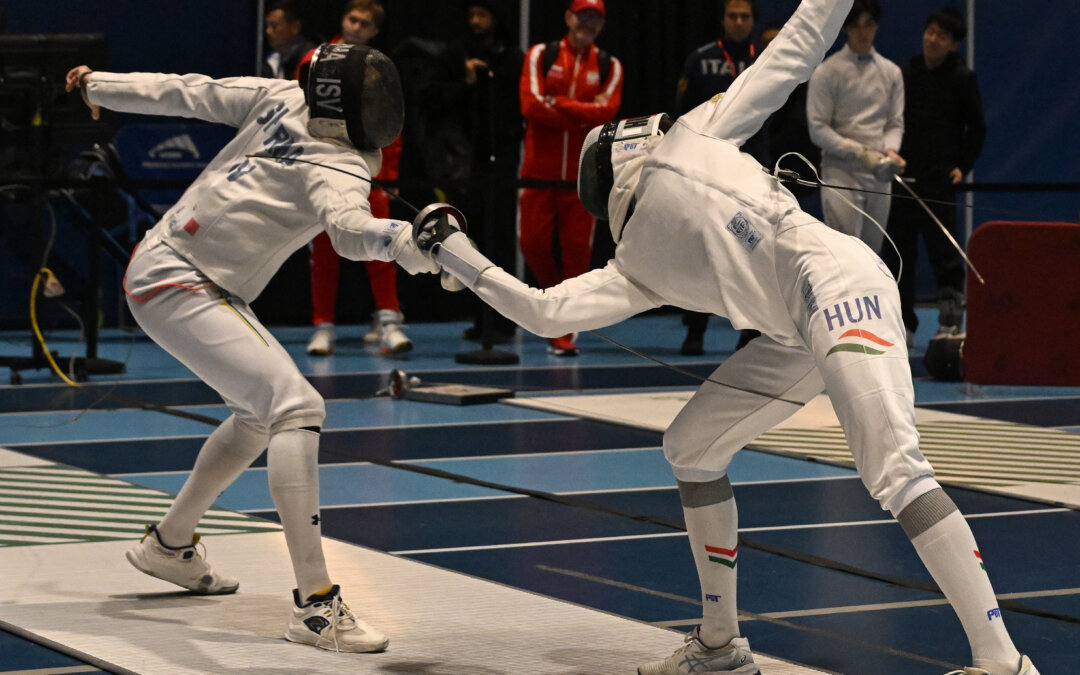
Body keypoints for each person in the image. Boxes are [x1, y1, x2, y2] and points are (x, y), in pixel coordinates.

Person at [417, 0, 1041, 673]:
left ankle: (1002, 661)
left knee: (893, 467)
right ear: (628, 146)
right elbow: (799, 46)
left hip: (828, 292)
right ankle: (721, 644)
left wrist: (456, 252)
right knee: (692, 446)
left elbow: (543, 312)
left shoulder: (632, 264)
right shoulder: (691, 137)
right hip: (821, 300)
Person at [65, 42, 438, 653]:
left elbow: (186, 88)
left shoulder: (279, 97)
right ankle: (316, 608)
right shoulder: (332, 156)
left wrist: (98, 86)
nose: (378, 107)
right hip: (179, 280)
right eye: (366, 96)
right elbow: (348, 233)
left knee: (256, 415)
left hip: (177, 267)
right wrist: (407, 242)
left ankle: (169, 545)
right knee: (296, 406)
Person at [300, 0, 412, 356]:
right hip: (323, 169)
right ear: (342, 20)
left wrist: (389, 174)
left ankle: (389, 322)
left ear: (375, 30)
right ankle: (323, 327)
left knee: (381, 246)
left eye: (365, 24)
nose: (357, 28)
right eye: (352, 20)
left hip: (367, 171)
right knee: (324, 255)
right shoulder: (315, 61)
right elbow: (298, 113)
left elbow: (390, 123)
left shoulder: (378, 68)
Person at [518, 0, 622, 356]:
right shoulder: (540, 55)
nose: (588, 23)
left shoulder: (610, 66)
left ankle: (562, 325)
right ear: (568, 17)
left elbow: (606, 114)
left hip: (583, 177)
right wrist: (580, 114)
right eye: (583, 15)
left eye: (596, 18)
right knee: (532, 243)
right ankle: (552, 305)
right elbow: (530, 105)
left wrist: (559, 103)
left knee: (578, 253)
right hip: (537, 173)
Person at [880, 7, 986, 345]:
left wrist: (961, 165)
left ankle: (950, 323)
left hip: (939, 178)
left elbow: (978, 127)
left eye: (941, 35)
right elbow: (890, 120)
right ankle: (903, 323)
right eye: (930, 31)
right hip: (904, 177)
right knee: (899, 253)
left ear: (954, 44)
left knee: (945, 256)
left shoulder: (962, 78)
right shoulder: (904, 72)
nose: (932, 39)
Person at [674, 0, 762, 356]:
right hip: (707, 170)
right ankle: (695, 330)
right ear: (723, 19)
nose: (739, 22)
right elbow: (682, 115)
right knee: (701, 252)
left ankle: (753, 331)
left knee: (754, 253)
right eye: (732, 16)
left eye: (745, 16)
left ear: (753, 20)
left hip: (754, 172)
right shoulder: (700, 59)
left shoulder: (766, 60)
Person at [807, 0, 904, 253]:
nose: (863, 32)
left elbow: (894, 123)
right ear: (846, 28)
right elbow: (817, 127)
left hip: (879, 174)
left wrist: (891, 151)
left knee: (873, 255)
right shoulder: (827, 72)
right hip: (841, 171)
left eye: (869, 25)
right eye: (856, 25)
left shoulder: (891, 72)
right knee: (845, 253)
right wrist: (857, 151)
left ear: (876, 27)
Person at [459, 0, 524, 344]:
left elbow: (516, 110)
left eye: (481, 15)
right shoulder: (462, 56)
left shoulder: (513, 58)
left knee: (500, 239)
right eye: (472, 15)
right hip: (472, 160)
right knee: (475, 239)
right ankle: (480, 318)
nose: (475, 21)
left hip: (504, 160)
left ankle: (505, 320)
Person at [262, 0, 314, 80]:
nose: (268, 31)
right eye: (267, 26)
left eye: (274, 26)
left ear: (295, 27)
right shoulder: (272, 59)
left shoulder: (309, 58)